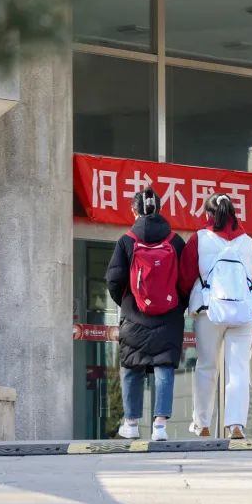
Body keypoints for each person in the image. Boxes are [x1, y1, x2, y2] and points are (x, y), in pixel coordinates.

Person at [178, 193, 252, 439]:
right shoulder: (247, 242)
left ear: (209, 214)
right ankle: (236, 425)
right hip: (244, 313)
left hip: (210, 311)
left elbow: (185, 277)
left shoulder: (199, 239)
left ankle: (202, 424)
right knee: (238, 368)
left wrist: (186, 303)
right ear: (233, 213)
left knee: (207, 365)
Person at [105, 188, 186, 441]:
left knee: (132, 366)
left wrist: (127, 303)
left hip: (134, 315)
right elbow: (186, 280)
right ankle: (160, 426)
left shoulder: (127, 241)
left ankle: (131, 424)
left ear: (134, 211)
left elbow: (114, 280)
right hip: (169, 316)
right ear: (159, 209)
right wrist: (176, 304)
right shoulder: (175, 241)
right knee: (164, 366)